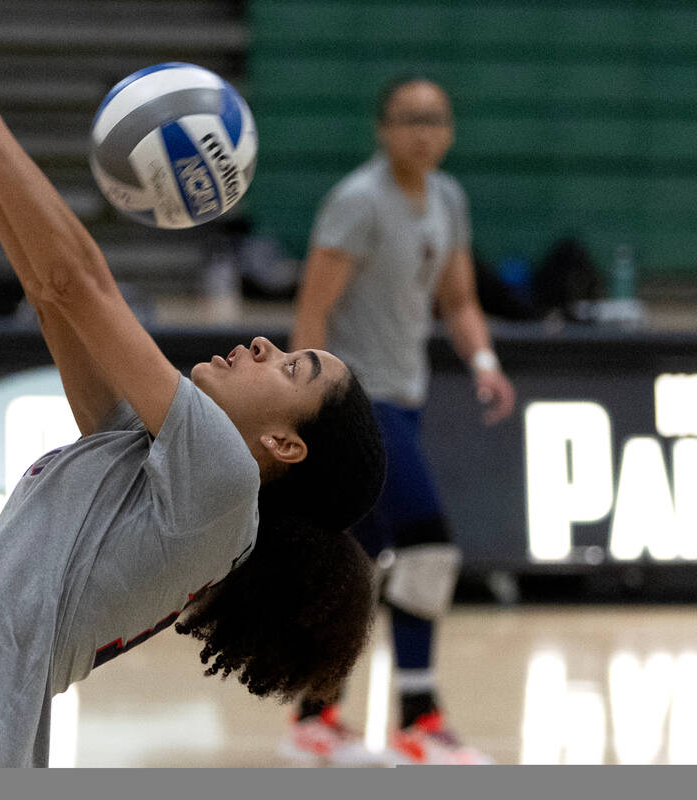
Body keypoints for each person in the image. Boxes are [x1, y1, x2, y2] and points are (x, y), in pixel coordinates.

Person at [0, 44, 386, 769]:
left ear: (284, 444)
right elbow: (48, 285)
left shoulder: (222, 483)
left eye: (291, 367)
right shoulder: (162, 468)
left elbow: (81, 280)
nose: (261, 344)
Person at [286, 75, 517, 766]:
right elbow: (311, 312)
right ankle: (419, 717)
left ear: (448, 131)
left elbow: (459, 298)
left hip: (408, 400)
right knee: (428, 545)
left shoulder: (447, 198)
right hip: (359, 401)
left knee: (353, 563)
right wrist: (309, 410)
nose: (423, 130)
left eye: (435, 118)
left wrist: (483, 361)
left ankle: (313, 714)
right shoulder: (358, 203)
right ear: (383, 129)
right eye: (409, 118)